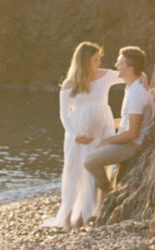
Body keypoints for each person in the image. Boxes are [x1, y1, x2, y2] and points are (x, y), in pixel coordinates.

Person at [43, 41, 122, 229]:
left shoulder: (107, 76)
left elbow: (130, 76)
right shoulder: (70, 84)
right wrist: (75, 134)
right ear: (85, 61)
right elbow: (64, 114)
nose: (100, 63)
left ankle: (88, 216)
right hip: (77, 136)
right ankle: (69, 216)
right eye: (96, 59)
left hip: (102, 133)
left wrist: (143, 77)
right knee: (75, 173)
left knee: (96, 171)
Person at [83, 46, 155, 200]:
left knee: (90, 161)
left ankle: (108, 189)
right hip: (126, 141)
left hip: (132, 146)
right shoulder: (132, 86)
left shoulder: (137, 93)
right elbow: (126, 121)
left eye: (119, 63)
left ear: (129, 69)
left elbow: (131, 133)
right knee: (93, 148)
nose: (116, 66)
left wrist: (107, 141)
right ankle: (97, 205)